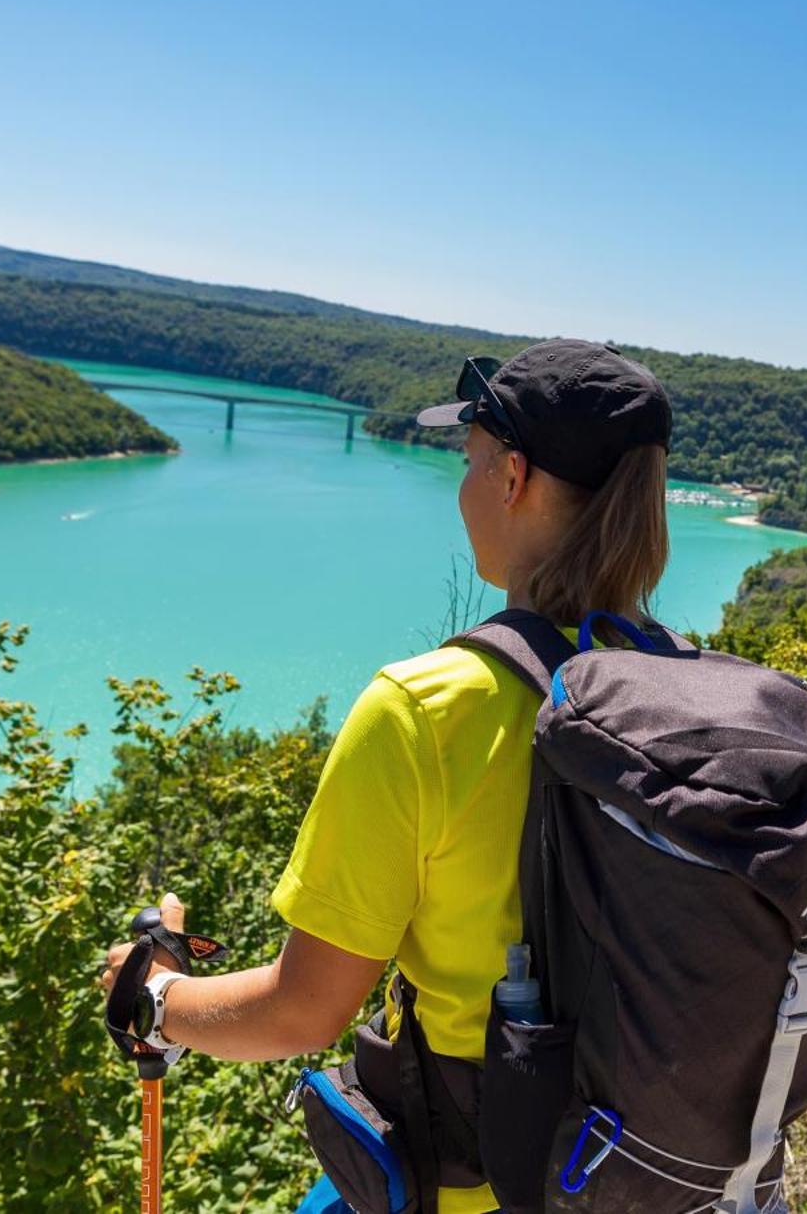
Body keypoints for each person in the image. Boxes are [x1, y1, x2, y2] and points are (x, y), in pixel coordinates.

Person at [101, 339, 675, 1214]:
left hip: (485, 1184)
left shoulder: (424, 710)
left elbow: (303, 1011)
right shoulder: (684, 690)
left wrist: (157, 998)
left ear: (513, 477)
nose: (465, 486)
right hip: (646, 1173)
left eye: (474, 461)